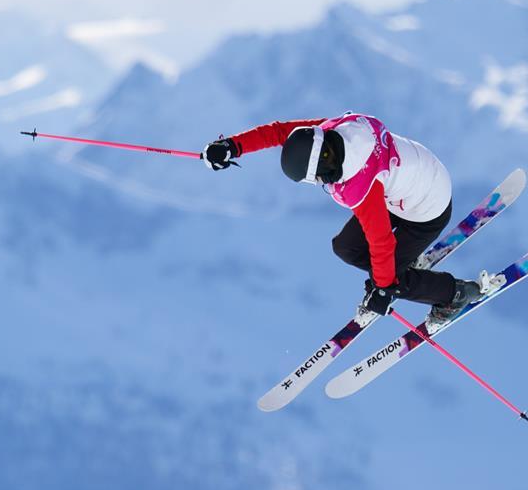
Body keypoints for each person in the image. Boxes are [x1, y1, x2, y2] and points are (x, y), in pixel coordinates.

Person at [202, 112, 503, 331]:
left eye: (317, 177)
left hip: (426, 210)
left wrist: (384, 288)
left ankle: (454, 294)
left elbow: (381, 240)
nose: (320, 182)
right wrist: (232, 146)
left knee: (388, 278)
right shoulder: (335, 131)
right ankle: (403, 265)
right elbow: (282, 133)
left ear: (324, 163)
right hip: (411, 183)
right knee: (345, 248)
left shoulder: (360, 182)